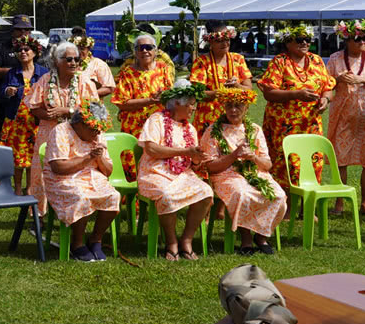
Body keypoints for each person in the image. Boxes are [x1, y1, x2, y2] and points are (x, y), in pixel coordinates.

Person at [201, 87, 287, 255]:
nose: (233, 110)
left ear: (247, 108)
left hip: (256, 172)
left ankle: (261, 237)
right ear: (224, 107)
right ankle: (246, 239)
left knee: (278, 195)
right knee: (241, 194)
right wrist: (234, 155)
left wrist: (253, 158)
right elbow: (211, 167)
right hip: (226, 175)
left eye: (238, 105)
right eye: (229, 105)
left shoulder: (254, 129)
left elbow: (267, 164)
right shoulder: (213, 131)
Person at [136, 80, 212, 261]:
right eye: (191, 104)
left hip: (182, 174)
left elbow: (190, 162)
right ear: (178, 103)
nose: (194, 109)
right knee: (167, 196)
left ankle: (186, 240)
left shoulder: (190, 129)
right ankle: (171, 243)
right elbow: (151, 150)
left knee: (206, 192)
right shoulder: (156, 120)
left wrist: (196, 160)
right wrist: (186, 151)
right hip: (154, 172)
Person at [325, 20, 365, 216]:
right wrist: (337, 80)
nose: (363, 42)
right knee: (340, 158)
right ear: (347, 39)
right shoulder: (335, 58)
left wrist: (361, 79)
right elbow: (326, 84)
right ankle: (340, 203)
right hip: (343, 112)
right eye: (358, 38)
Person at [257, 25, 336, 189]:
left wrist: (325, 100)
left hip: (310, 124)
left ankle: (307, 205)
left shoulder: (317, 60)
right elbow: (269, 93)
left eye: (308, 40)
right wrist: (296, 94)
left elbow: (328, 87)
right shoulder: (280, 62)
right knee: (286, 164)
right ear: (288, 43)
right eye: (300, 40)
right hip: (283, 125)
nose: (305, 43)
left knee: (313, 161)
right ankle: (286, 207)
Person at [25, 41, 100, 212]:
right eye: (69, 59)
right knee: (41, 174)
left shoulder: (85, 81)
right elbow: (34, 106)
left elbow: (94, 110)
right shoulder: (46, 80)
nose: (73, 63)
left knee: (75, 171)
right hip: (49, 134)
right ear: (57, 61)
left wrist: (67, 111)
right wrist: (49, 114)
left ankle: (74, 209)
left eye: (76, 59)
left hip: (77, 135)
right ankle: (40, 216)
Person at [44, 101, 121, 262]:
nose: (97, 133)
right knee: (81, 196)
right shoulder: (61, 131)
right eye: (93, 129)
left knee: (113, 196)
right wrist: (88, 157)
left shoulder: (98, 135)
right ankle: (77, 243)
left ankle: (95, 239)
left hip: (93, 176)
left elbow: (107, 172)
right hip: (62, 179)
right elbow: (58, 167)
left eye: (99, 129)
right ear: (79, 124)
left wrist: (99, 157)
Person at [111, 33, 175, 179]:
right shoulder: (127, 73)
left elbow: (171, 95)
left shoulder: (163, 69)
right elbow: (121, 103)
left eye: (148, 47)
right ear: (135, 52)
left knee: (158, 165)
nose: (145, 51)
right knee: (133, 165)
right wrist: (150, 101)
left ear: (156, 51)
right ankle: (132, 199)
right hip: (133, 128)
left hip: (158, 127)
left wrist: (164, 97)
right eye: (140, 48)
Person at [0, 36, 49, 194]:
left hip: (36, 122)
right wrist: (7, 91)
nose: (23, 52)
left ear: (35, 52)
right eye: (19, 50)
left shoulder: (44, 73)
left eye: (26, 49)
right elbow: (1, 94)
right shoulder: (12, 73)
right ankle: (17, 188)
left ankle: (31, 188)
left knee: (34, 157)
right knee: (17, 158)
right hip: (16, 122)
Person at [190, 21, 253, 133]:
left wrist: (237, 86)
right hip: (208, 118)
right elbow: (198, 94)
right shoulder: (201, 62)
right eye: (219, 41)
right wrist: (221, 92)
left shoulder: (238, 59)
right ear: (210, 41)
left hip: (235, 116)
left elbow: (249, 89)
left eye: (227, 40)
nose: (224, 44)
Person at [0, 15, 34, 136]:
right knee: (5, 148)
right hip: (7, 107)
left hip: (33, 110)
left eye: (27, 30)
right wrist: (12, 73)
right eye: (19, 29)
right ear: (12, 31)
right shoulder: (2, 49)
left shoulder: (37, 49)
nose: (23, 32)